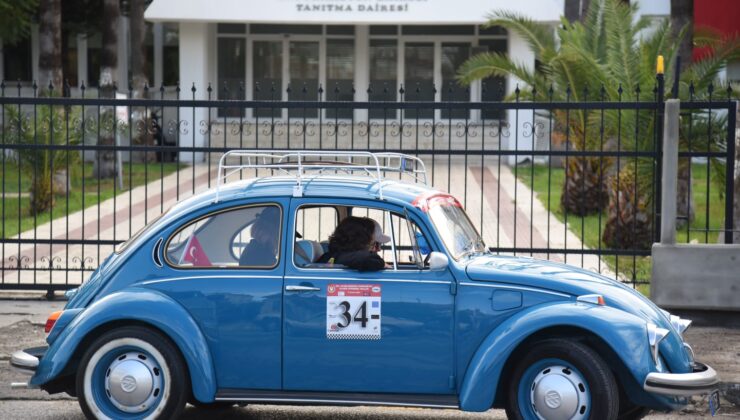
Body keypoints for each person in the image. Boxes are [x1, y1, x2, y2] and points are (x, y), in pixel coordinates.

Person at [317, 216, 388, 271]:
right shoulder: (345, 258)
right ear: (360, 242)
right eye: (375, 244)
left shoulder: (336, 257)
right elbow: (365, 258)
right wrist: (382, 263)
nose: (379, 249)